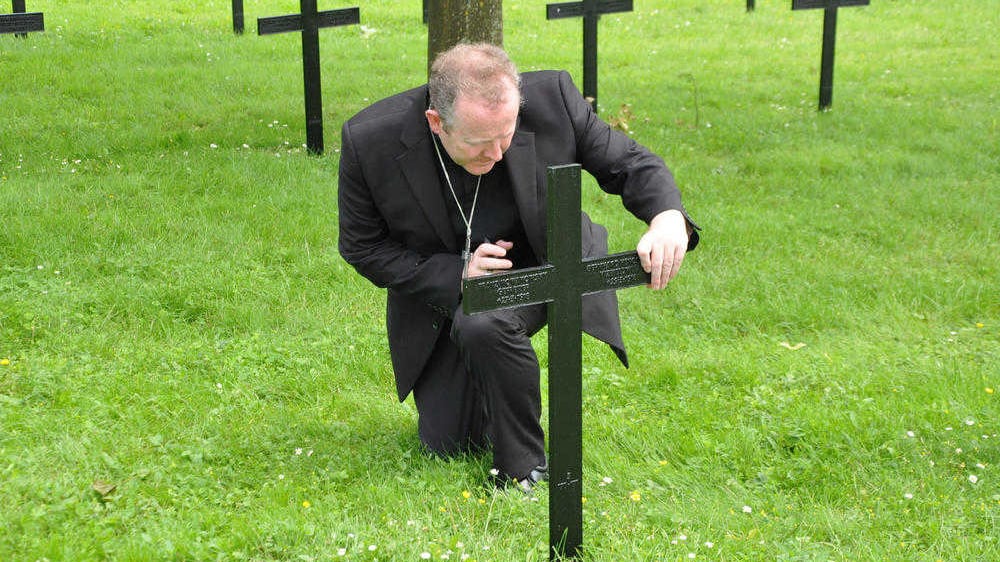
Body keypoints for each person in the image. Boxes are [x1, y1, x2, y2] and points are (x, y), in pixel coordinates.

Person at [338, 43, 699, 491]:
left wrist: (667, 217)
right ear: (436, 122)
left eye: (506, 134)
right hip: (448, 283)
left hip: (547, 261)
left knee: (482, 322)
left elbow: (628, 162)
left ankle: (523, 466)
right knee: (450, 442)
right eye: (478, 143)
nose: (496, 153)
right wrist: (458, 275)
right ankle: (488, 388)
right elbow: (363, 246)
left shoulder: (554, 98)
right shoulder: (370, 140)